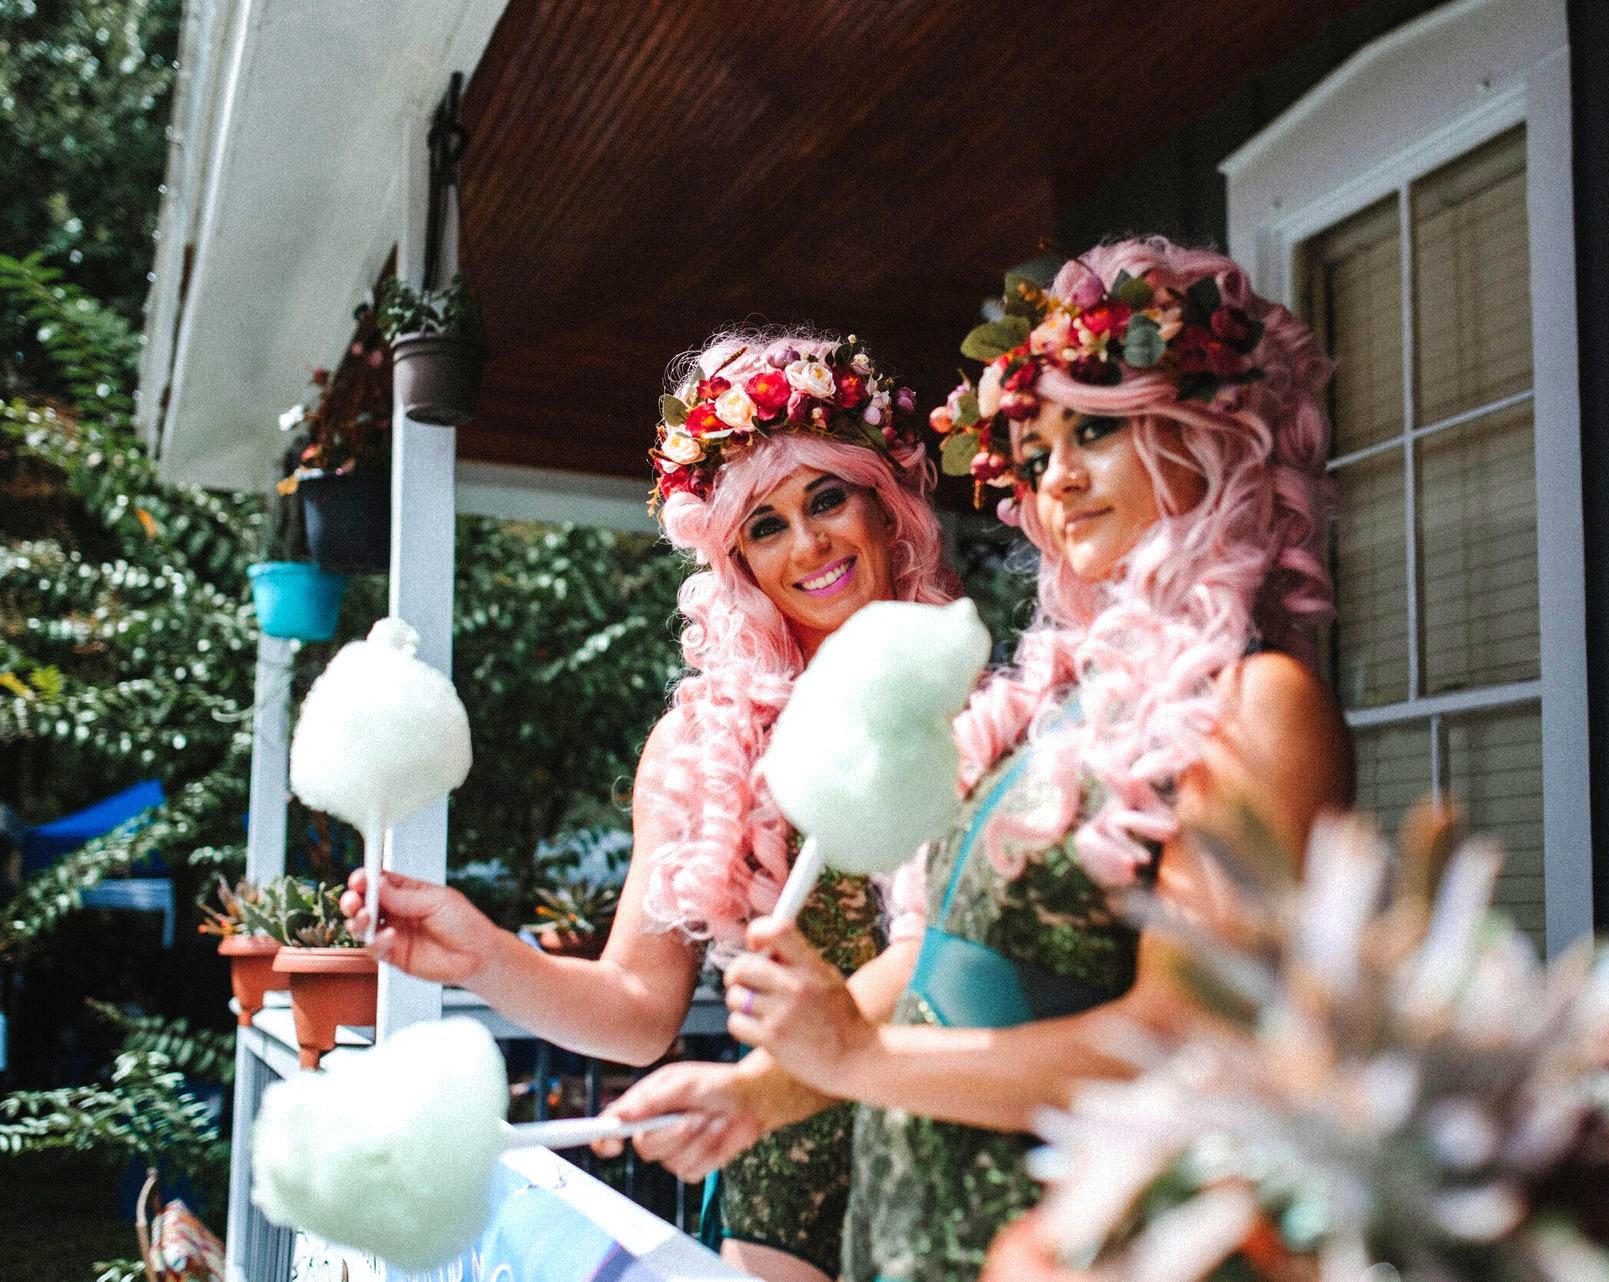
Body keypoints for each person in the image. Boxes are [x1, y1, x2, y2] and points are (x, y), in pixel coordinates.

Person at [602, 237, 1355, 1282]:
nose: (1062, 483)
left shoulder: (1261, 704)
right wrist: (759, 1090)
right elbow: (934, 962)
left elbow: (1187, 1035)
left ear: (1208, 432)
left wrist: (861, 1059)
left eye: (1096, 429)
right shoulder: (1044, 716)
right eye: (1038, 455)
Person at [341, 329, 956, 1282]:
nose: (810, 545)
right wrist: (485, 954)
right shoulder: (702, 748)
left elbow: (935, 959)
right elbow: (636, 1011)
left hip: (959, 1157)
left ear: (886, 508)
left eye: (827, 498)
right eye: (765, 526)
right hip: (781, 1192)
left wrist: (760, 1085)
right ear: (736, 562)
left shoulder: (983, 707)